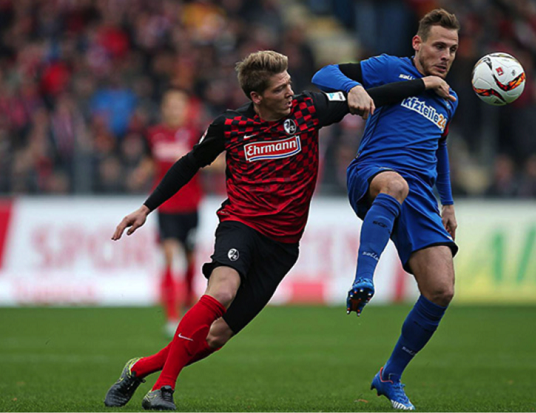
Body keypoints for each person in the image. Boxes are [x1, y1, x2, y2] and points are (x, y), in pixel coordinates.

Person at [104, 50, 435, 411]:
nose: (290, 92)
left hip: (282, 246)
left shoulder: (311, 109)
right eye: (280, 89)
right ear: (256, 97)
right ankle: (164, 388)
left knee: (215, 337)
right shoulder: (228, 127)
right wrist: (146, 208)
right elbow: (188, 164)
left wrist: (420, 85)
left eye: (289, 83)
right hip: (241, 224)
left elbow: (378, 94)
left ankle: (139, 369)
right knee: (223, 291)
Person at [312, 9, 460, 411]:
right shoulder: (387, 68)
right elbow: (324, 74)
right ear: (418, 43)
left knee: (442, 289)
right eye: (438, 46)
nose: (446, 55)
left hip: (422, 198)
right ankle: (363, 280)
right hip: (373, 173)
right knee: (395, 183)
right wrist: (353, 88)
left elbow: (440, 147)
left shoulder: (449, 98)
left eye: (452, 49)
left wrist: (446, 201)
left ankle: (390, 376)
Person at [130, 88, 204, 336]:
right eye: (170, 105)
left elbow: (215, 161)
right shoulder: (154, 135)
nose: (174, 110)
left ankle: (189, 306)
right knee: (170, 256)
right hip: (166, 208)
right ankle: (172, 317)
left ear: (186, 109)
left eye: (179, 105)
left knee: (190, 260)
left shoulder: (196, 134)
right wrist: (140, 173)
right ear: (164, 108)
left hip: (191, 206)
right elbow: (149, 161)